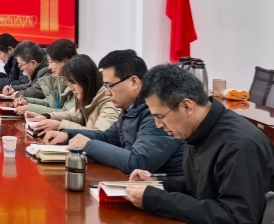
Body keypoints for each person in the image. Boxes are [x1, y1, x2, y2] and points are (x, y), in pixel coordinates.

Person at [125, 64, 274, 224]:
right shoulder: (200, 131)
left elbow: (237, 223)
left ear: (187, 106)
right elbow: (203, 186)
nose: (158, 125)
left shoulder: (239, 146)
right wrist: (158, 184)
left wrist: (158, 200)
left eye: (160, 117)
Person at [43, 50, 184, 176]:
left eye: (110, 86)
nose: (107, 92)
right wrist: (67, 135)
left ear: (134, 82)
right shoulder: (131, 108)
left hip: (165, 188)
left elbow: (137, 162)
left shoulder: (157, 114)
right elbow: (108, 137)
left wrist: (88, 145)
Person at [29, 54, 121, 134]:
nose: (71, 88)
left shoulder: (109, 104)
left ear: (87, 82)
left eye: (73, 82)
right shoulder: (89, 96)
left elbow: (100, 135)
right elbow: (73, 115)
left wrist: (60, 126)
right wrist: (47, 116)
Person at [11, 39, 76, 115]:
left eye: (51, 62)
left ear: (66, 61)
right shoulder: (60, 79)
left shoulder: (77, 82)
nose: (49, 67)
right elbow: (51, 103)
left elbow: (65, 113)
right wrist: (27, 101)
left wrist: (29, 108)